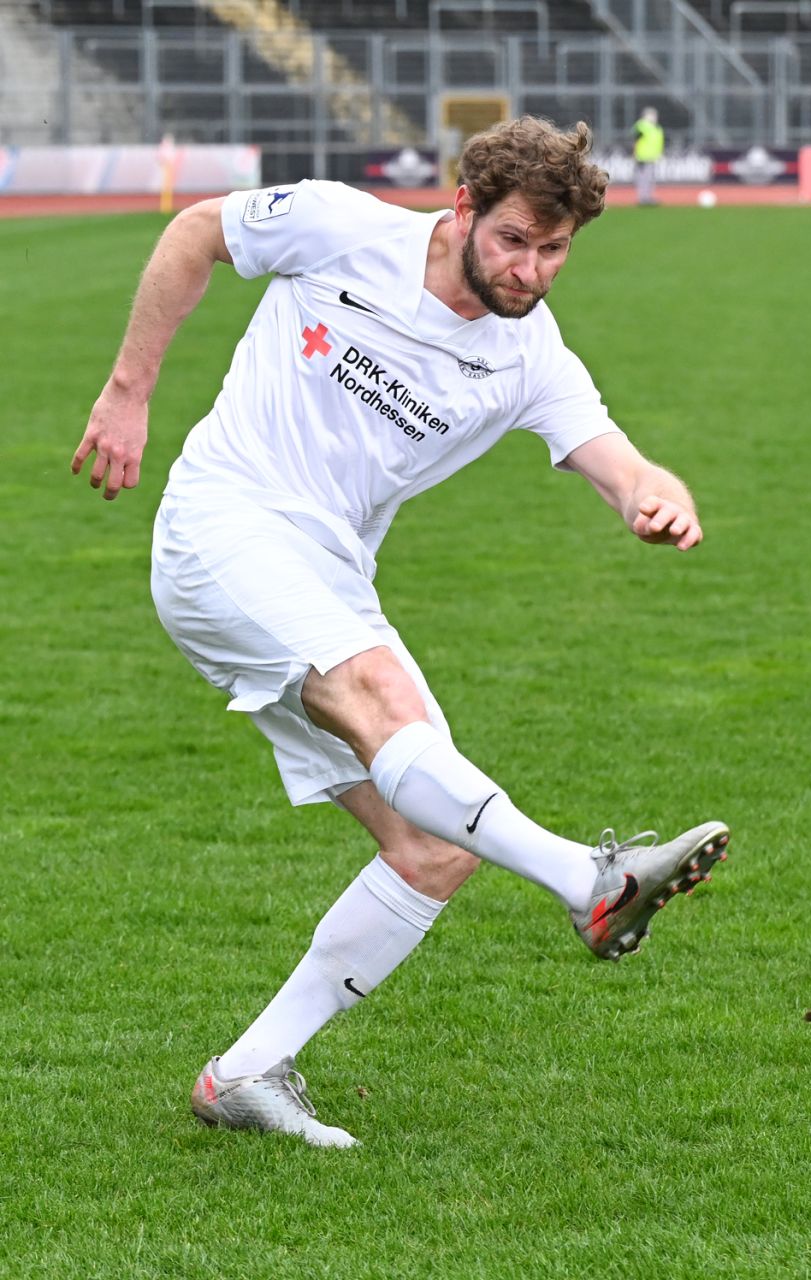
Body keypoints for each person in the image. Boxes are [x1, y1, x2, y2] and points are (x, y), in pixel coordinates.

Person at [69, 118, 731, 1147]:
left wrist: (657, 500)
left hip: (329, 576)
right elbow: (197, 230)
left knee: (432, 847)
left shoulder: (528, 355)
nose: (533, 270)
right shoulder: (344, 227)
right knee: (377, 694)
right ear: (463, 208)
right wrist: (128, 390)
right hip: (223, 524)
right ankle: (584, 878)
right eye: (515, 240)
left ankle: (244, 1071)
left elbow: (625, 462)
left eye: (555, 250)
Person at [632, 107, 664, 206]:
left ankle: (648, 197)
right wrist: (635, 154)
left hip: (653, 158)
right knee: (644, 179)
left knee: (650, 179)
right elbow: (636, 140)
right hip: (643, 157)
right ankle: (643, 198)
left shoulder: (656, 128)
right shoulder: (642, 126)